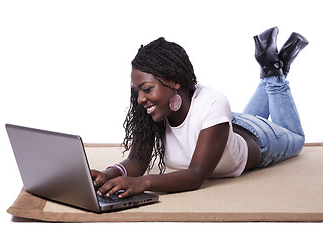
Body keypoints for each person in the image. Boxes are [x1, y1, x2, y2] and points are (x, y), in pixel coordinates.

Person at [91, 26, 309, 199]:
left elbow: (196, 175)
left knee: (297, 139)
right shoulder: (154, 111)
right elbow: (137, 161)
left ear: (174, 81)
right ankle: (274, 66)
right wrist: (109, 174)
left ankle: (274, 72)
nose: (140, 99)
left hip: (260, 139)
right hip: (223, 127)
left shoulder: (213, 101)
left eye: (147, 89)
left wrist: (144, 182)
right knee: (232, 121)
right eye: (137, 91)